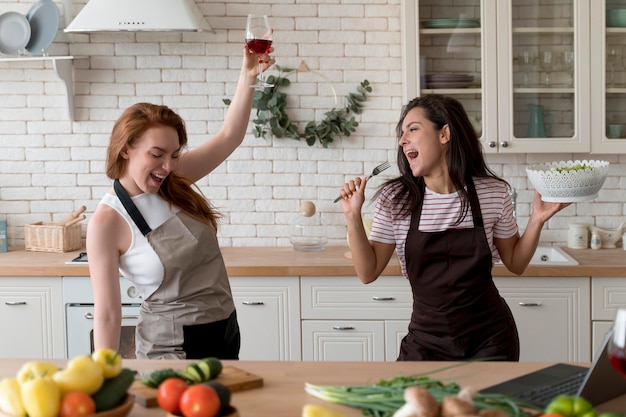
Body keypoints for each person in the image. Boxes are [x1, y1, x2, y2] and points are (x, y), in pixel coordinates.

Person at [337, 94, 570, 361]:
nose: (402, 141)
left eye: (412, 129)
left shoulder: (492, 192)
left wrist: (536, 220)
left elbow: (516, 263)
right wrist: (352, 215)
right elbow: (367, 273)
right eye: (402, 134)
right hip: (426, 341)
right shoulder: (397, 199)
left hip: (491, 339)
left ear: (444, 133)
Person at [86, 43, 275, 360]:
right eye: (157, 155)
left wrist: (249, 75)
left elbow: (230, 135)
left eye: (174, 155)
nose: (168, 166)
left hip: (224, 331)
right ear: (125, 149)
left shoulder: (172, 180)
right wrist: (102, 376)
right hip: (170, 346)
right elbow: (106, 314)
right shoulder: (107, 221)